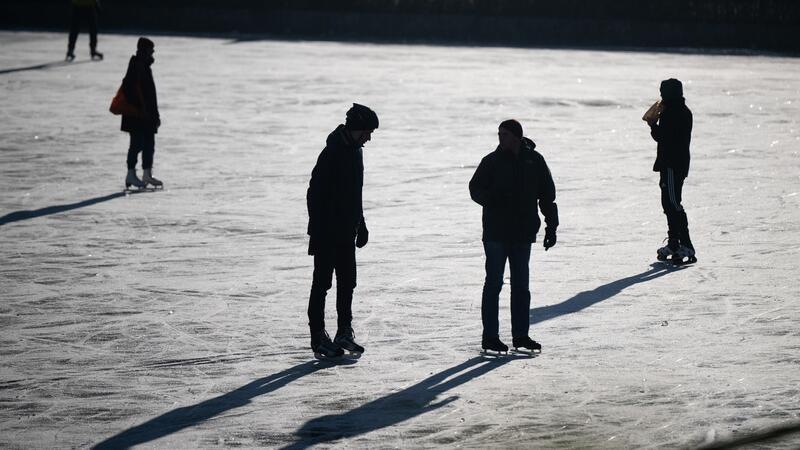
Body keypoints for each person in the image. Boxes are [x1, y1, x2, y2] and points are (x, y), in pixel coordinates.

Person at [469, 119, 558, 354]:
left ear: (517, 136)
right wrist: (491, 198)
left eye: (505, 134)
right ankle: (490, 337)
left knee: (521, 286)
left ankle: (521, 336)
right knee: (493, 284)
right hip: (496, 233)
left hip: (522, 233)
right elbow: (474, 188)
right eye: (499, 134)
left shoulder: (534, 161)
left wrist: (552, 226)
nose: (501, 138)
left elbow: (547, 196)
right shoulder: (491, 161)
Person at [306, 103, 378, 358]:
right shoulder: (332, 153)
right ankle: (318, 337)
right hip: (327, 233)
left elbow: (354, 194)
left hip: (347, 231)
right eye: (367, 132)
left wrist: (362, 223)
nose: (369, 138)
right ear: (355, 128)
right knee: (322, 284)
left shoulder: (355, 152)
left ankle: (344, 331)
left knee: (347, 283)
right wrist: (320, 228)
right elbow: (313, 194)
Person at [644, 78, 696, 264]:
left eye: (663, 91)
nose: (660, 95)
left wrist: (652, 125)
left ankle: (687, 245)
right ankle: (674, 242)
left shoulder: (676, 112)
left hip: (674, 165)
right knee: (668, 204)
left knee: (674, 204)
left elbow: (664, 138)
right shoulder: (674, 110)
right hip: (669, 164)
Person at [121, 38, 162, 190]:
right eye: (151, 50)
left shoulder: (145, 66)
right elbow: (129, 90)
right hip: (136, 115)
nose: (153, 53)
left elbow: (151, 94)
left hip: (148, 115)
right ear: (143, 50)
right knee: (137, 144)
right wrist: (140, 109)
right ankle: (130, 174)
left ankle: (147, 173)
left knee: (149, 144)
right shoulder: (136, 65)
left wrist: (155, 115)